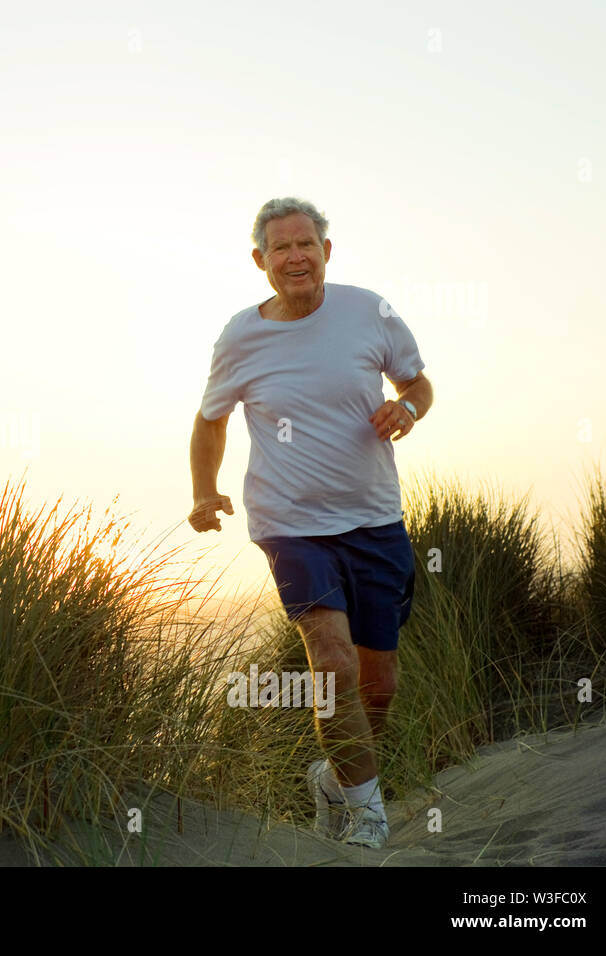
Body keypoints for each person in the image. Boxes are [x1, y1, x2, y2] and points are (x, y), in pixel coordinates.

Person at [188, 197, 433, 849]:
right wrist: (204, 491)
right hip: (289, 525)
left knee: (378, 683)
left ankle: (333, 779)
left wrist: (407, 410)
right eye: (280, 247)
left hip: (376, 522)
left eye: (306, 244)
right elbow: (210, 419)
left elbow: (419, 385)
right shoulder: (241, 335)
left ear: (327, 250)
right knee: (331, 664)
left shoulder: (370, 312)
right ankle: (368, 818)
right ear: (260, 260)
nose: (295, 256)